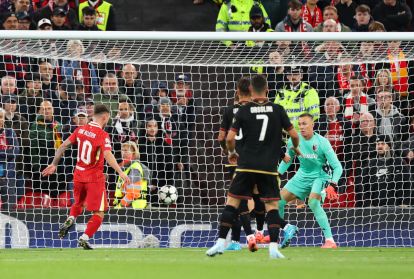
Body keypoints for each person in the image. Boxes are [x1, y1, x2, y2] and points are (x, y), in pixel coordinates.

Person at [206, 74, 300, 259]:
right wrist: (294, 148)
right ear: (267, 90)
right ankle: (273, 248)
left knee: (232, 203)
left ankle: (220, 243)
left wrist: (232, 153)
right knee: (271, 206)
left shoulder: (243, 110)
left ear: (250, 91)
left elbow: (229, 138)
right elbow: (294, 136)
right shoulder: (278, 109)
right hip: (268, 167)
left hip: (246, 165)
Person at [42, 104, 130, 250]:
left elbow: (63, 146)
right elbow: (107, 154)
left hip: (78, 174)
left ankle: (71, 218)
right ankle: (85, 237)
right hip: (94, 177)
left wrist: (54, 164)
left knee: (79, 203)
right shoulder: (103, 135)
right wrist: (120, 172)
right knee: (99, 212)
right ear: (105, 117)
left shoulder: (80, 129)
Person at [278, 113, 343, 249]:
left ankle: (330, 240)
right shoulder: (293, 141)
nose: (301, 127)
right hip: (302, 175)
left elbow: (337, 167)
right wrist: (277, 175)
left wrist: (333, 184)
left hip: (320, 176)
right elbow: (287, 160)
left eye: (305, 124)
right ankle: (283, 233)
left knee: (313, 202)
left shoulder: (322, 142)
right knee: (278, 202)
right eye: (300, 124)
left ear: (313, 125)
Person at [218, 77, 256, 250]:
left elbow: (221, 137)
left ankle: (248, 237)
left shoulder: (229, 110)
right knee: (255, 199)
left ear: (237, 91)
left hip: (236, 162)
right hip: (255, 160)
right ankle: (236, 240)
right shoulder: (257, 110)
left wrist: (228, 152)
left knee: (236, 200)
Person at [362, 135, 412, 206]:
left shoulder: (400, 162)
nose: (379, 146)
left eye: (383, 144)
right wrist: (369, 204)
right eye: (377, 144)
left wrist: (405, 203)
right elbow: (364, 186)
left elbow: (408, 183)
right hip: (375, 209)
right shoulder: (371, 164)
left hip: (397, 207)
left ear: (389, 146)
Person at [274, 66, 320, 130]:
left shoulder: (309, 91)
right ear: (287, 76)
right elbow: (276, 113)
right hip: (284, 134)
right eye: (290, 74)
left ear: (301, 76)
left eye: (296, 74)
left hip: (302, 133)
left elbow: (314, 117)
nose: (293, 77)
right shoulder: (281, 91)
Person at [113, 141, 151, 209]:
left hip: (133, 208)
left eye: (126, 150)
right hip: (129, 207)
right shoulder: (126, 168)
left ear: (133, 153)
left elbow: (133, 193)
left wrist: (120, 206)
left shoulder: (135, 168)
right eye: (122, 150)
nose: (123, 153)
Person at [0, 109, 20, 210]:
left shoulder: (9, 132)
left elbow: (15, 151)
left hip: (9, 174)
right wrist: (6, 152)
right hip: (6, 168)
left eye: (1, 117)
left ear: (4, 119)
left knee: (9, 207)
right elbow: (10, 153)